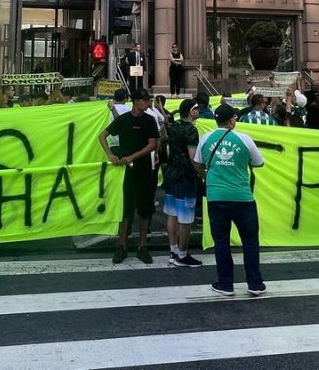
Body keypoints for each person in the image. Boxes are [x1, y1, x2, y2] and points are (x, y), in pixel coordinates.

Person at [193, 104, 266, 296]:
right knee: (250, 241)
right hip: (242, 197)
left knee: (221, 242)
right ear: (232, 120)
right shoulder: (244, 139)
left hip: (216, 197)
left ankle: (225, 284)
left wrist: (209, 175)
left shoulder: (206, 138)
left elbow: (198, 162)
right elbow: (259, 162)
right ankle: (255, 284)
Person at [97, 88, 159, 264]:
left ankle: (142, 246)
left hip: (144, 169)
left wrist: (131, 157)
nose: (147, 104)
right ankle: (122, 245)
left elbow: (152, 144)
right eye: (145, 100)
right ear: (136, 101)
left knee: (144, 208)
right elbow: (102, 136)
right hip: (126, 171)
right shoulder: (124, 120)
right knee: (125, 208)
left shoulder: (149, 120)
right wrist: (109, 154)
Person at [162, 98, 203, 267]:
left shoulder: (174, 127)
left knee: (172, 214)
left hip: (171, 173)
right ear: (190, 112)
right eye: (196, 109)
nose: (198, 111)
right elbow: (193, 157)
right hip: (185, 176)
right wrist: (202, 173)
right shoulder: (191, 131)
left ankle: (173, 251)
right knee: (185, 218)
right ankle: (182, 254)